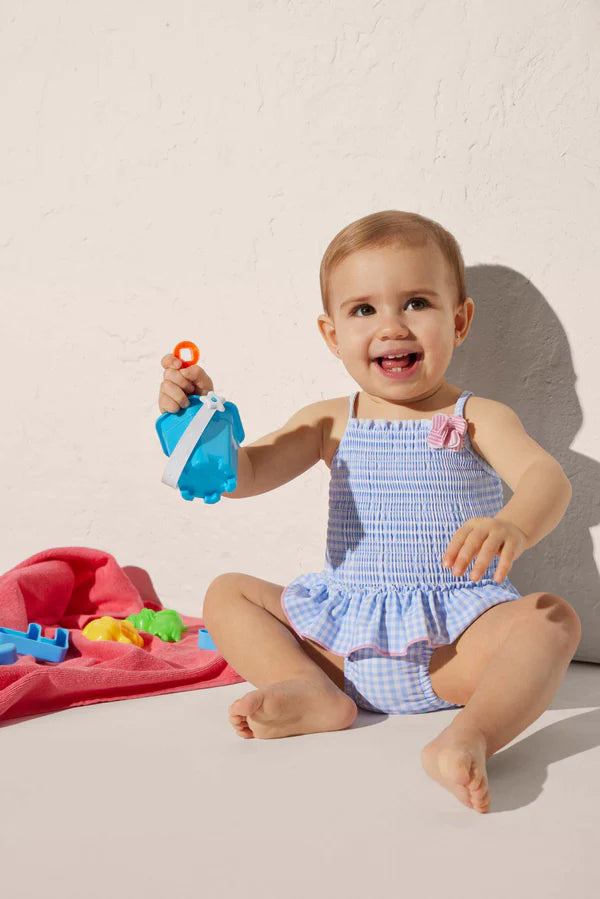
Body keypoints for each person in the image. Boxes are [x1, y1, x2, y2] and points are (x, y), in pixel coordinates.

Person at [158, 210, 581, 814]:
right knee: (228, 592)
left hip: (453, 649)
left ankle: (468, 736)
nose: (391, 327)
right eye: (363, 310)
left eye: (416, 303)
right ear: (332, 336)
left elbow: (546, 478)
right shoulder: (329, 420)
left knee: (552, 620)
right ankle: (307, 689)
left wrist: (514, 523)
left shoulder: (477, 416)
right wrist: (198, 425)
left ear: (459, 321)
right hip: (341, 645)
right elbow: (245, 475)